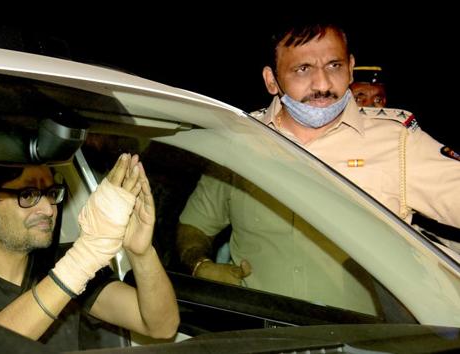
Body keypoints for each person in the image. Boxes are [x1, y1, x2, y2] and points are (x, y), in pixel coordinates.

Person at [176, 21, 460, 307]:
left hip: (366, 339)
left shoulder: (397, 141)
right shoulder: (241, 142)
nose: (323, 84)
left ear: (350, 67)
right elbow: (194, 225)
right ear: (271, 80)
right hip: (257, 329)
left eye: (334, 66)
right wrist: (200, 264)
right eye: (303, 69)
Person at [0, 154, 179, 349]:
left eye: (51, 193)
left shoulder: (60, 261)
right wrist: (84, 257)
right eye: (27, 195)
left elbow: (161, 326)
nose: (49, 209)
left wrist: (141, 253)